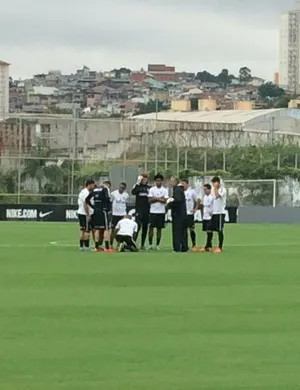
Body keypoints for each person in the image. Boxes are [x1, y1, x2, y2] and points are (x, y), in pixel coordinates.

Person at [85, 181, 113, 252]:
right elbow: (107, 198)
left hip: (96, 211)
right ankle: (107, 247)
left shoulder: (94, 190)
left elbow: (87, 199)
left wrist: (93, 206)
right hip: (103, 211)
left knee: (97, 229)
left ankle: (96, 247)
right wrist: (108, 208)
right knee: (106, 229)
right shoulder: (105, 189)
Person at [148, 173, 168, 250]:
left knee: (159, 229)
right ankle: (150, 244)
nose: (158, 182)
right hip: (153, 212)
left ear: (162, 181)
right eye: (157, 181)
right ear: (155, 181)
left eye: (159, 181)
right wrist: (160, 198)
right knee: (151, 228)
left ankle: (157, 244)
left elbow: (165, 201)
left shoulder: (165, 190)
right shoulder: (152, 189)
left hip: (161, 212)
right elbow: (150, 200)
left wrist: (155, 198)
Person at [168, 177, 188, 252]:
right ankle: (184, 247)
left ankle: (176, 248)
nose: (170, 183)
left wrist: (169, 204)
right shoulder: (180, 189)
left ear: (175, 182)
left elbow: (178, 201)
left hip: (178, 215)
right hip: (182, 214)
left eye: (171, 181)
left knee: (177, 231)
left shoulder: (177, 189)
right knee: (183, 232)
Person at [132, 174, 151, 249]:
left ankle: (142, 244)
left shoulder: (149, 188)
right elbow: (133, 192)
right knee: (137, 226)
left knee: (145, 227)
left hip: (147, 210)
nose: (144, 181)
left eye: (145, 179)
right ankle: (133, 243)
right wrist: (137, 183)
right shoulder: (137, 186)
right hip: (139, 210)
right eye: (142, 179)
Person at [181, 179, 199, 250]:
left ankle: (194, 244)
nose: (182, 185)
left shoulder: (192, 192)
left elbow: (198, 200)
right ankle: (184, 245)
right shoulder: (180, 192)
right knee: (183, 230)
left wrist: (195, 209)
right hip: (182, 214)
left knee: (191, 229)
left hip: (190, 214)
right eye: (181, 184)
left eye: (184, 184)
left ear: (187, 184)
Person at [77, 179, 95, 251]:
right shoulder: (86, 193)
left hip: (80, 212)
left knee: (82, 230)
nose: (93, 187)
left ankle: (81, 246)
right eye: (93, 185)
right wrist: (88, 214)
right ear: (89, 185)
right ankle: (86, 246)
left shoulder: (82, 192)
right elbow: (85, 204)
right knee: (87, 230)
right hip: (84, 213)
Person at [110, 182, 129, 248]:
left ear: (125, 188)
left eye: (123, 188)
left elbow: (126, 204)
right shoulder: (113, 193)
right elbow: (111, 202)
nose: (121, 189)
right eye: (120, 187)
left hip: (122, 214)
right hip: (115, 214)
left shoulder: (126, 195)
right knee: (113, 230)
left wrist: (126, 213)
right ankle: (111, 244)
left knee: (121, 231)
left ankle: (118, 245)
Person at [211, 176, 227, 253]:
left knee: (220, 230)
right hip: (214, 212)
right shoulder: (213, 190)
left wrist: (215, 188)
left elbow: (217, 196)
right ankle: (209, 245)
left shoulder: (222, 190)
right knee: (211, 229)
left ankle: (220, 247)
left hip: (220, 212)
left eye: (214, 183)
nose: (213, 185)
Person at [199, 183, 214, 252]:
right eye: (204, 189)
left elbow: (214, 206)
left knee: (209, 231)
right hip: (205, 216)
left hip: (210, 217)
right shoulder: (204, 197)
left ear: (209, 189)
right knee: (206, 231)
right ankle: (208, 245)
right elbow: (203, 206)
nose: (204, 191)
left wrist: (212, 212)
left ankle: (208, 246)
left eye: (205, 189)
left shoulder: (212, 197)